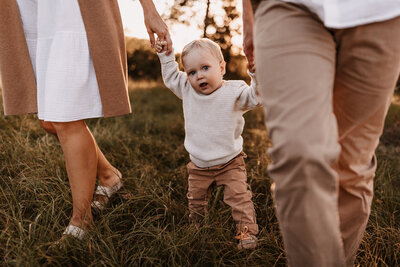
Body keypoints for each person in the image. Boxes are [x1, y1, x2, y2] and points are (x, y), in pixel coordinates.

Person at [242, 0, 400, 265]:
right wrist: (247, 14)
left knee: (351, 167)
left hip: (381, 13)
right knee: (300, 152)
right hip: (287, 7)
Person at [0, 0, 172, 242]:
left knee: (65, 119)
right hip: (30, 10)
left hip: (68, 11)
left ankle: (82, 220)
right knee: (49, 121)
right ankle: (110, 176)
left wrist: (149, 10)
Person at [155, 38, 260, 249]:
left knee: (239, 199)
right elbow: (171, 76)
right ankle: (198, 229)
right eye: (192, 72)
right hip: (199, 165)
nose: (199, 75)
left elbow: (257, 97)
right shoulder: (187, 89)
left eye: (205, 68)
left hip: (230, 162)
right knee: (196, 201)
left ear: (221, 68)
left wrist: (256, 74)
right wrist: (166, 55)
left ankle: (246, 233)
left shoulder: (234, 92)